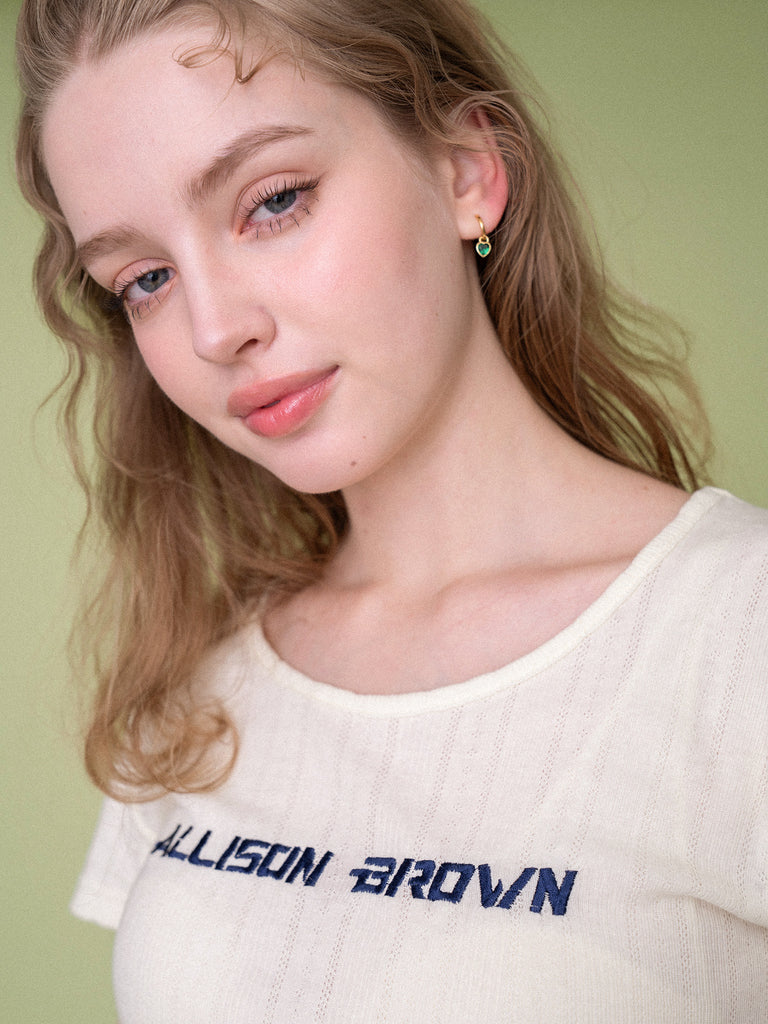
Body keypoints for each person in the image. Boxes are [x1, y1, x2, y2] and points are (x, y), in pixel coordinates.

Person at [15, 0, 768, 1020]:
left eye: (273, 202)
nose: (214, 329)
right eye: (145, 278)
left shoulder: (739, 636)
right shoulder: (200, 683)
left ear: (466, 170)